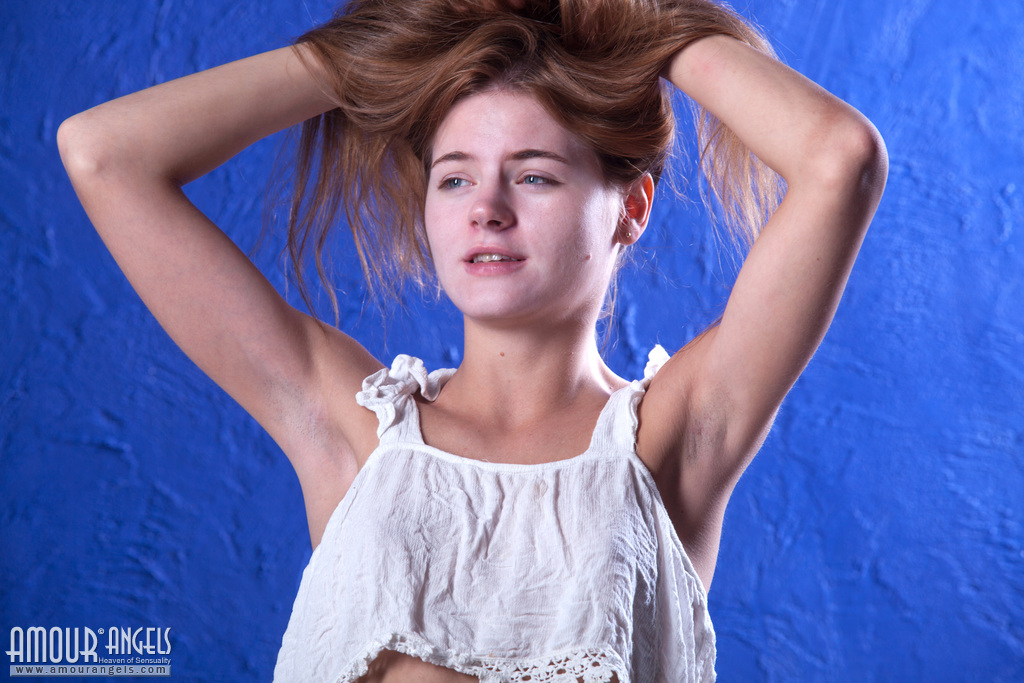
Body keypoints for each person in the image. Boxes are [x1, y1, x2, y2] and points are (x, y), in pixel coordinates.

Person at [57, 0, 887, 680]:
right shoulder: (354, 430)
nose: (486, 208)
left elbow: (839, 157)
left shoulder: (673, 438)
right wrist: (391, 45)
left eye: (534, 174)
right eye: (454, 177)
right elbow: (103, 154)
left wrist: (648, 21)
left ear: (630, 208)